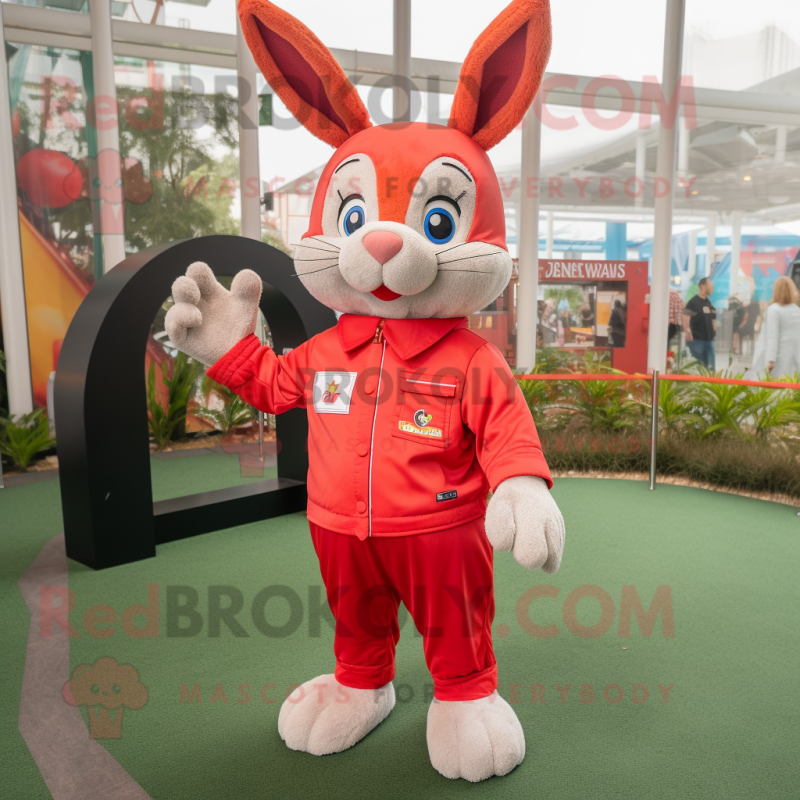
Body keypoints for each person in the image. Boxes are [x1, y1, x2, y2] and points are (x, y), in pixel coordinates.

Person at [764, 277, 800, 378]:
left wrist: (770, 360)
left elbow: (772, 337)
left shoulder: (774, 310)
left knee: (779, 390)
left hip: (780, 359)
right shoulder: (797, 310)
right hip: (796, 358)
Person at [682, 277, 716, 369]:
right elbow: (685, 317)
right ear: (702, 286)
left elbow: (712, 319)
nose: (712, 286)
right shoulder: (693, 302)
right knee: (699, 367)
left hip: (709, 340)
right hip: (697, 341)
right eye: (710, 284)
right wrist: (687, 332)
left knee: (710, 368)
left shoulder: (708, 302)